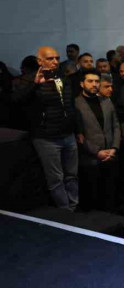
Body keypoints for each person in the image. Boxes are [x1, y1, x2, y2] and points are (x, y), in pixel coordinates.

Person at [13, 46, 79, 212]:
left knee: (72, 175)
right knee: (56, 178)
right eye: (50, 58)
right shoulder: (27, 79)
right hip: (46, 137)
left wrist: (77, 129)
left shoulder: (63, 77)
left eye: (57, 58)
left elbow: (71, 105)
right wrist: (35, 85)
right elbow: (16, 102)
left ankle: (74, 207)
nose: (55, 61)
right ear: (39, 61)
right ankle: (66, 211)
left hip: (68, 133)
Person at [74, 70, 120, 212]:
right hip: (90, 158)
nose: (94, 84)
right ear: (82, 84)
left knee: (110, 194)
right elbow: (78, 134)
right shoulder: (75, 104)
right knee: (92, 197)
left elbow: (116, 126)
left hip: (110, 155)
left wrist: (114, 147)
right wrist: (97, 152)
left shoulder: (106, 101)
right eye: (90, 81)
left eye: (96, 81)